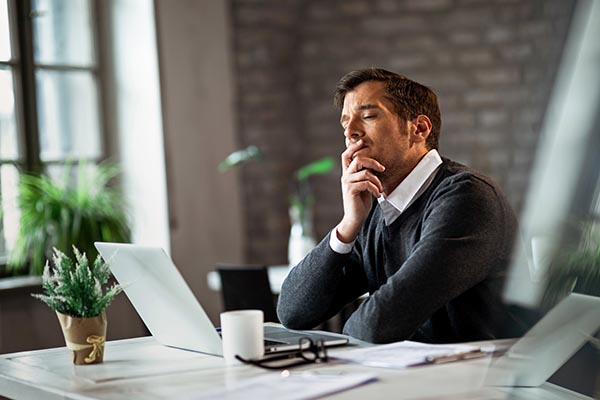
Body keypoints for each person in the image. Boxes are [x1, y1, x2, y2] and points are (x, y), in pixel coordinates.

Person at [277, 68, 518, 344]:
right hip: (420, 378)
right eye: (345, 124)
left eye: (368, 116)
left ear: (419, 129)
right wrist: (348, 225)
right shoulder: (375, 211)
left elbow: (378, 324)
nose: (351, 133)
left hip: (484, 381)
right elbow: (292, 312)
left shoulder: (468, 197)